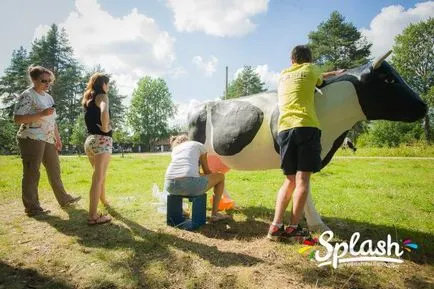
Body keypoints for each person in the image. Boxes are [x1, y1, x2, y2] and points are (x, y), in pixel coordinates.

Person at [268, 45, 345, 241]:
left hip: (284, 130)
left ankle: (275, 227)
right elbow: (322, 78)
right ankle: (293, 228)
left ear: (292, 60)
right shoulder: (312, 70)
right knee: (302, 181)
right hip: (305, 127)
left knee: (289, 180)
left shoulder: (283, 74)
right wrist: (336, 73)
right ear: (309, 60)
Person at [13, 65, 81, 216]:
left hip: (48, 138)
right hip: (31, 137)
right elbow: (17, 119)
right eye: (44, 81)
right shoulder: (27, 95)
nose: (47, 84)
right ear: (34, 79)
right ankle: (32, 208)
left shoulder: (48, 97)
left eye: (50, 81)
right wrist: (41, 113)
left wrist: (57, 137)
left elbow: (52, 120)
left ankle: (64, 199)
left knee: (54, 169)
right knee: (32, 172)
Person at [164, 135, 231, 222]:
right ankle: (215, 214)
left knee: (184, 182)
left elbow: (189, 173)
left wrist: (202, 176)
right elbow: (206, 171)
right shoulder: (198, 145)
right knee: (220, 176)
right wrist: (213, 177)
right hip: (189, 185)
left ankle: (181, 212)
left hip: (169, 186)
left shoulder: (175, 150)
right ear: (188, 140)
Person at [82, 73, 113, 225]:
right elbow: (104, 110)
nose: (109, 87)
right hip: (102, 140)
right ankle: (93, 216)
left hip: (90, 141)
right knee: (98, 178)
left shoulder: (89, 98)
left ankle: (104, 201)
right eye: (108, 84)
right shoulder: (102, 96)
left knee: (99, 176)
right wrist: (106, 127)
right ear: (103, 84)